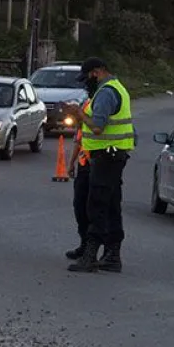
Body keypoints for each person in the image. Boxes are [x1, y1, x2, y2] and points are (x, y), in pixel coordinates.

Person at [66, 57, 134, 273]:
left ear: (97, 72)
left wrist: (79, 114)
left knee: (97, 205)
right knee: (111, 205)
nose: (86, 82)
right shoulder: (117, 87)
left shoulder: (105, 93)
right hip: (113, 155)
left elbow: (97, 127)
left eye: (87, 77)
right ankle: (112, 255)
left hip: (106, 156)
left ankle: (91, 256)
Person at [64, 77, 99, 261]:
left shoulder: (102, 103)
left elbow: (98, 129)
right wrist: (71, 163)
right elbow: (79, 136)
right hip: (84, 163)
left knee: (94, 208)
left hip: (100, 163)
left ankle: (95, 250)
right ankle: (84, 243)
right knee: (80, 206)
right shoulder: (87, 104)